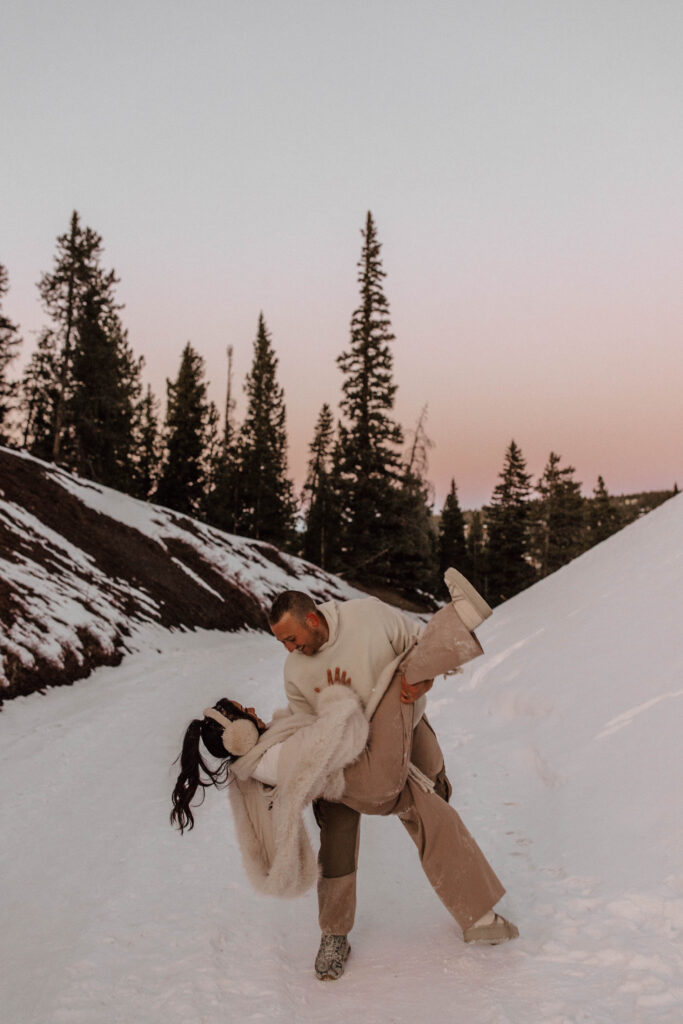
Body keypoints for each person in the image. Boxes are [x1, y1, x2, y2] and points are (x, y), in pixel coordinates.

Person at [269, 570, 519, 980]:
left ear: (312, 619)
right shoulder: (295, 670)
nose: (288, 648)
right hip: (344, 756)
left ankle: (476, 913)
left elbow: (419, 652)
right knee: (338, 832)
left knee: (433, 798)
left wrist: (423, 685)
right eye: (282, 642)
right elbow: (305, 728)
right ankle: (334, 935)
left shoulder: (368, 617)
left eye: (291, 638)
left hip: (400, 726)